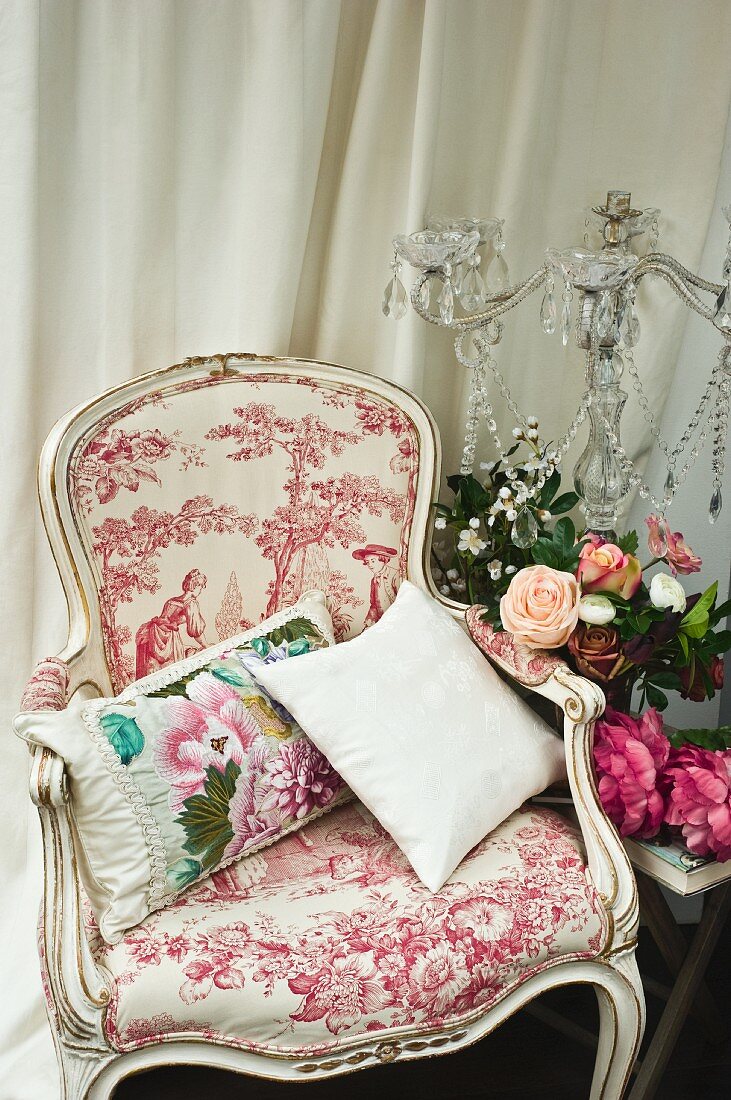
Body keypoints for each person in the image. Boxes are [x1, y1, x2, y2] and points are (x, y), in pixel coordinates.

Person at [135, 569, 209, 678]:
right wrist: (206, 645)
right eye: (201, 587)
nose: (201, 590)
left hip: (152, 635)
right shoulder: (191, 603)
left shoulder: (172, 601)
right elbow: (195, 631)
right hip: (167, 640)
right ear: (195, 586)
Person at [352, 544, 400, 626]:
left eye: (373, 561)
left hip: (397, 620)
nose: (370, 565)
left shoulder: (395, 575)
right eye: (367, 562)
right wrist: (369, 621)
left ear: (383, 560)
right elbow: (374, 605)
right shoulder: (373, 581)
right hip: (382, 622)